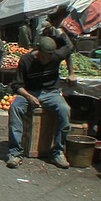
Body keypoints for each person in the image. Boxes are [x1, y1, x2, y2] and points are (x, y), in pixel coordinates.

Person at [6, 36, 77, 169]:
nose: (47, 60)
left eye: (49, 57)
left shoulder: (56, 56)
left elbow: (69, 50)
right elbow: (16, 85)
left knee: (65, 110)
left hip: (50, 92)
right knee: (15, 108)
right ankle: (15, 152)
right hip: (29, 92)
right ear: (38, 52)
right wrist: (28, 97)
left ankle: (57, 152)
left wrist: (71, 73)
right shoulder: (26, 61)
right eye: (44, 57)